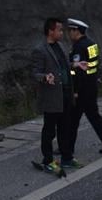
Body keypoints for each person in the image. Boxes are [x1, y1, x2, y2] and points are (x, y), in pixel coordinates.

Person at [31, 17, 81, 173]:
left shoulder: (61, 46)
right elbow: (35, 74)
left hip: (65, 94)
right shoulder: (40, 50)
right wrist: (45, 77)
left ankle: (66, 157)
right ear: (50, 31)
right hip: (52, 97)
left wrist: (76, 64)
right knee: (49, 130)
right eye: (59, 29)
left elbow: (64, 67)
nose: (62, 32)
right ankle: (47, 160)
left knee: (64, 128)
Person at [67, 18, 102, 155]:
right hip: (91, 86)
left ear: (76, 31)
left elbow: (78, 71)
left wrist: (75, 90)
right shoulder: (91, 44)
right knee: (92, 116)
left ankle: (66, 148)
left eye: (70, 31)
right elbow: (94, 64)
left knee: (74, 119)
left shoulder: (79, 47)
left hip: (82, 89)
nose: (69, 34)